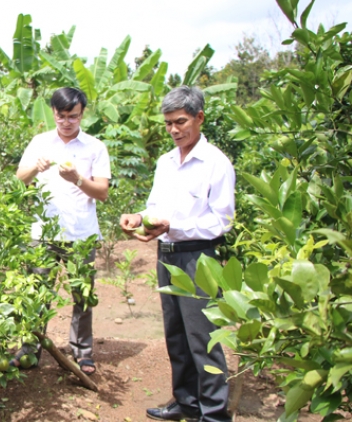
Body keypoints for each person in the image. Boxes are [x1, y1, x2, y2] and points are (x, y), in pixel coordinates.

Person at [119, 86, 234, 422]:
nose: (173, 130)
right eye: (168, 123)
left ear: (199, 118)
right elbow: (157, 206)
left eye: (180, 121)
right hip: (167, 253)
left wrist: (173, 225)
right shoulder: (165, 162)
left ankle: (213, 413)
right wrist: (140, 218)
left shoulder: (216, 163)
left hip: (199, 258)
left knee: (203, 337)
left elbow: (221, 221)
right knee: (176, 334)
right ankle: (185, 402)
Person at [15, 87, 111, 375]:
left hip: (81, 234)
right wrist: (35, 167)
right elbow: (20, 180)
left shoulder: (95, 147)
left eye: (73, 116)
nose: (67, 122)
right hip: (43, 233)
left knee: (82, 296)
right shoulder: (40, 143)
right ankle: (30, 349)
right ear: (53, 113)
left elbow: (103, 192)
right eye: (61, 116)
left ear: (83, 114)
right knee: (36, 293)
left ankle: (83, 352)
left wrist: (78, 179)